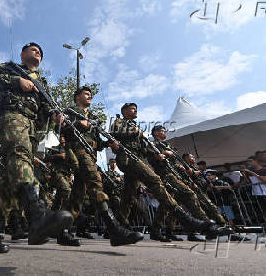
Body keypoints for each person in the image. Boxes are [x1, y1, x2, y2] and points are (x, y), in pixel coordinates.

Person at [0, 42, 73, 253]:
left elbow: (48, 106)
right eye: (33, 49)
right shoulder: (10, 68)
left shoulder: (43, 82)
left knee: (9, 182)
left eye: (40, 51)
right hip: (13, 118)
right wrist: (16, 80)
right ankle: (37, 216)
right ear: (22, 55)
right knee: (20, 159)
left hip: (32, 129)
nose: (38, 52)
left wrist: (55, 115)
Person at [110, 103, 225, 239]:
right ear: (124, 111)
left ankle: (115, 228)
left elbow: (144, 148)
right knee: (154, 180)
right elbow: (115, 134)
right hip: (128, 158)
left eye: (136, 108)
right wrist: (138, 133)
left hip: (137, 158)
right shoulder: (119, 122)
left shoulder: (136, 127)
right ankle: (187, 220)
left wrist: (154, 152)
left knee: (128, 197)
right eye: (132, 108)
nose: (135, 110)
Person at [61, 87, 144, 247]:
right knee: (95, 182)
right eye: (86, 93)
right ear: (77, 97)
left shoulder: (93, 117)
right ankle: (114, 229)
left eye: (90, 94)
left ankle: (62, 231)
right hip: (77, 152)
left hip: (89, 154)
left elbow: (97, 143)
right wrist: (78, 123)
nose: (90, 95)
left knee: (77, 195)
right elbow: (62, 127)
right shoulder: (70, 111)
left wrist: (108, 143)